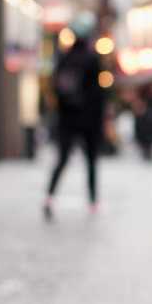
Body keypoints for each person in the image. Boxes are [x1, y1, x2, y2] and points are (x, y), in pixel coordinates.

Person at [43, 17, 105, 220]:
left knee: (61, 160)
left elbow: (55, 89)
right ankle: (93, 202)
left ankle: (49, 198)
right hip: (88, 121)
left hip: (67, 119)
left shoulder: (64, 58)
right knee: (91, 162)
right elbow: (98, 94)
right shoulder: (92, 59)